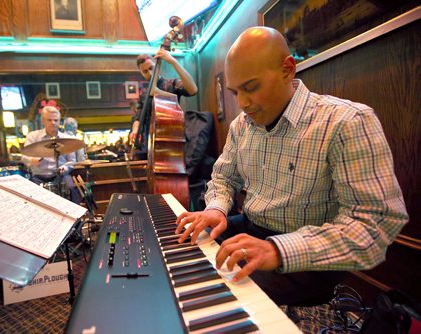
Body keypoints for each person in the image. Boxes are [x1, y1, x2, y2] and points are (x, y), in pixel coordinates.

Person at [174, 27, 409, 306]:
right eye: (235, 92)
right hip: (251, 228)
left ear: (288, 69)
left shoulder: (347, 121)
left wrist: (278, 249)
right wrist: (215, 208)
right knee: (185, 253)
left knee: (211, 293)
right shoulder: (241, 126)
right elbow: (223, 178)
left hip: (310, 256)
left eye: (251, 88)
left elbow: (375, 225)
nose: (242, 104)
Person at [129, 51, 198, 149]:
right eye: (145, 71)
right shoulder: (144, 94)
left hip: (173, 140)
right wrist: (135, 130)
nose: (149, 73)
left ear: (157, 66)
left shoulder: (171, 84)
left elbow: (193, 90)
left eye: (151, 68)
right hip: (152, 144)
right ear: (141, 72)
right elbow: (138, 118)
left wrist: (173, 62)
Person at [21, 106, 77, 200]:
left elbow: (72, 161)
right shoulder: (33, 136)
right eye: (49, 120)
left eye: (56, 120)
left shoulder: (67, 139)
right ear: (43, 121)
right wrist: (31, 160)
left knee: (72, 187)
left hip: (60, 175)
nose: (53, 123)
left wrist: (65, 168)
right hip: (38, 176)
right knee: (30, 195)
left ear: (60, 121)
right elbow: (24, 156)